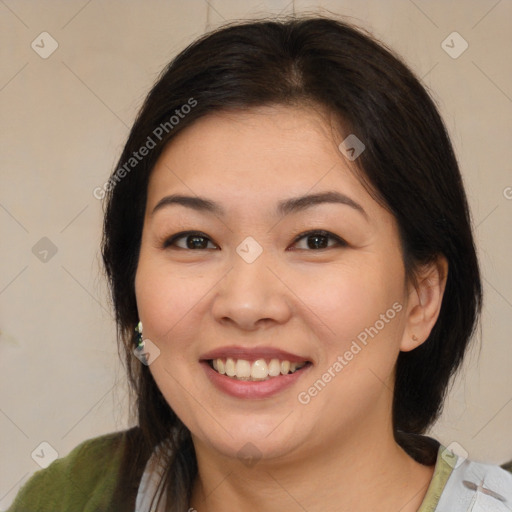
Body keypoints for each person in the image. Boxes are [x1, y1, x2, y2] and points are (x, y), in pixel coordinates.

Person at [7, 14, 512, 512]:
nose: (246, 303)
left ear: (421, 299)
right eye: (193, 239)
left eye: (316, 239)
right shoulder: (73, 497)